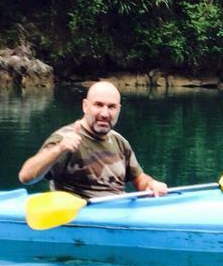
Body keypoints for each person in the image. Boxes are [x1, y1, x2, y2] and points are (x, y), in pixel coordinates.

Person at [19, 80, 168, 200]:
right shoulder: (65, 138)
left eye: (111, 107)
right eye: (98, 105)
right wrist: (60, 148)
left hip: (118, 214)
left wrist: (151, 184)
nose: (105, 113)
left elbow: (139, 180)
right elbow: (26, 177)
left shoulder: (120, 142)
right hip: (83, 218)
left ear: (119, 110)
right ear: (85, 106)